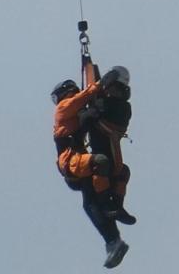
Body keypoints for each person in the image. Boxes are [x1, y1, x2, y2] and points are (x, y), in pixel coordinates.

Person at [52, 65, 129, 268]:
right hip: (71, 161)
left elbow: (91, 112)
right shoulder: (64, 108)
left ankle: (113, 238)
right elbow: (85, 97)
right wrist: (100, 84)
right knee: (100, 162)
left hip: (80, 161)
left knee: (92, 197)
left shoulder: (78, 114)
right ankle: (107, 206)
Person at [87, 66, 137, 226]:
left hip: (110, 152)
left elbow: (109, 122)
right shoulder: (106, 102)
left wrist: (94, 112)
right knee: (104, 164)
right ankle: (106, 205)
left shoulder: (120, 106)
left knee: (122, 171)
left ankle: (116, 206)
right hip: (99, 155)